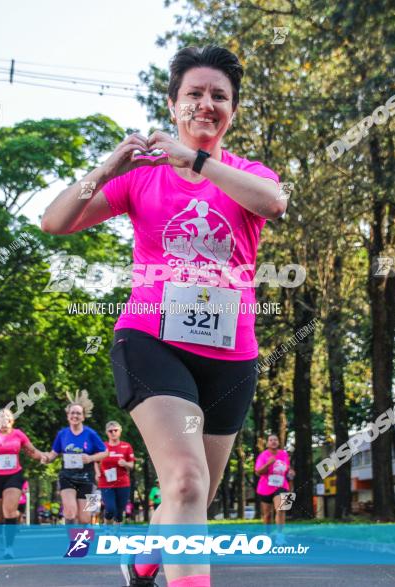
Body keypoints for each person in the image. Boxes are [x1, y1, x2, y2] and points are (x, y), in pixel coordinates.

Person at [41, 44, 283, 587]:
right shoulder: (142, 176)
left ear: (232, 111)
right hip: (152, 341)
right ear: (173, 105)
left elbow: (273, 203)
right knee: (187, 481)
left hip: (230, 357)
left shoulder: (245, 174)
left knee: (188, 494)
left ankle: (143, 560)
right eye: (193, 94)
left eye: (219, 96)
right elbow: (55, 222)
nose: (206, 104)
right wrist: (107, 168)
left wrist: (196, 160)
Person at [0, 408, 43, 559]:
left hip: (13, 475)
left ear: (12, 420)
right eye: (1, 418)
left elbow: (31, 451)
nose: (4, 421)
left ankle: (9, 547)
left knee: (9, 512)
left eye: (7, 418)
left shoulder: (18, 434)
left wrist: (44, 457)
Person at [38, 390, 108, 525]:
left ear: (83, 417)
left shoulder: (90, 434)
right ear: (68, 415)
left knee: (85, 517)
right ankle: (73, 544)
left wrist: (90, 458)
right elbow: (53, 454)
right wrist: (46, 458)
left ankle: (83, 545)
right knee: (70, 511)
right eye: (72, 413)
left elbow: (105, 452)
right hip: (67, 476)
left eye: (78, 413)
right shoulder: (62, 434)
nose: (75, 415)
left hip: (87, 477)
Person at [95, 420, 136, 525]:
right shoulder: (102, 447)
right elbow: (95, 461)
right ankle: (107, 529)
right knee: (110, 509)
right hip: (106, 483)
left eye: (115, 430)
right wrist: (97, 472)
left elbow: (132, 465)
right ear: (107, 433)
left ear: (120, 431)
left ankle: (116, 534)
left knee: (119, 513)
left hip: (123, 483)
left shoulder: (126, 446)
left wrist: (125, 463)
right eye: (110, 431)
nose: (113, 433)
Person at [254, 434, 294, 532]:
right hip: (265, 487)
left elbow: (287, 469)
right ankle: (267, 534)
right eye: (271, 440)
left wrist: (291, 472)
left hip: (282, 485)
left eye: (275, 439)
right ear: (267, 443)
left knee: (281, 509)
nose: (273, 441)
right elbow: (258, 472)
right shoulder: (263, 455)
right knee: (267, 515)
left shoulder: (284, 454)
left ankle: (280, 536)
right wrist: (268, 463)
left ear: (279, 442)